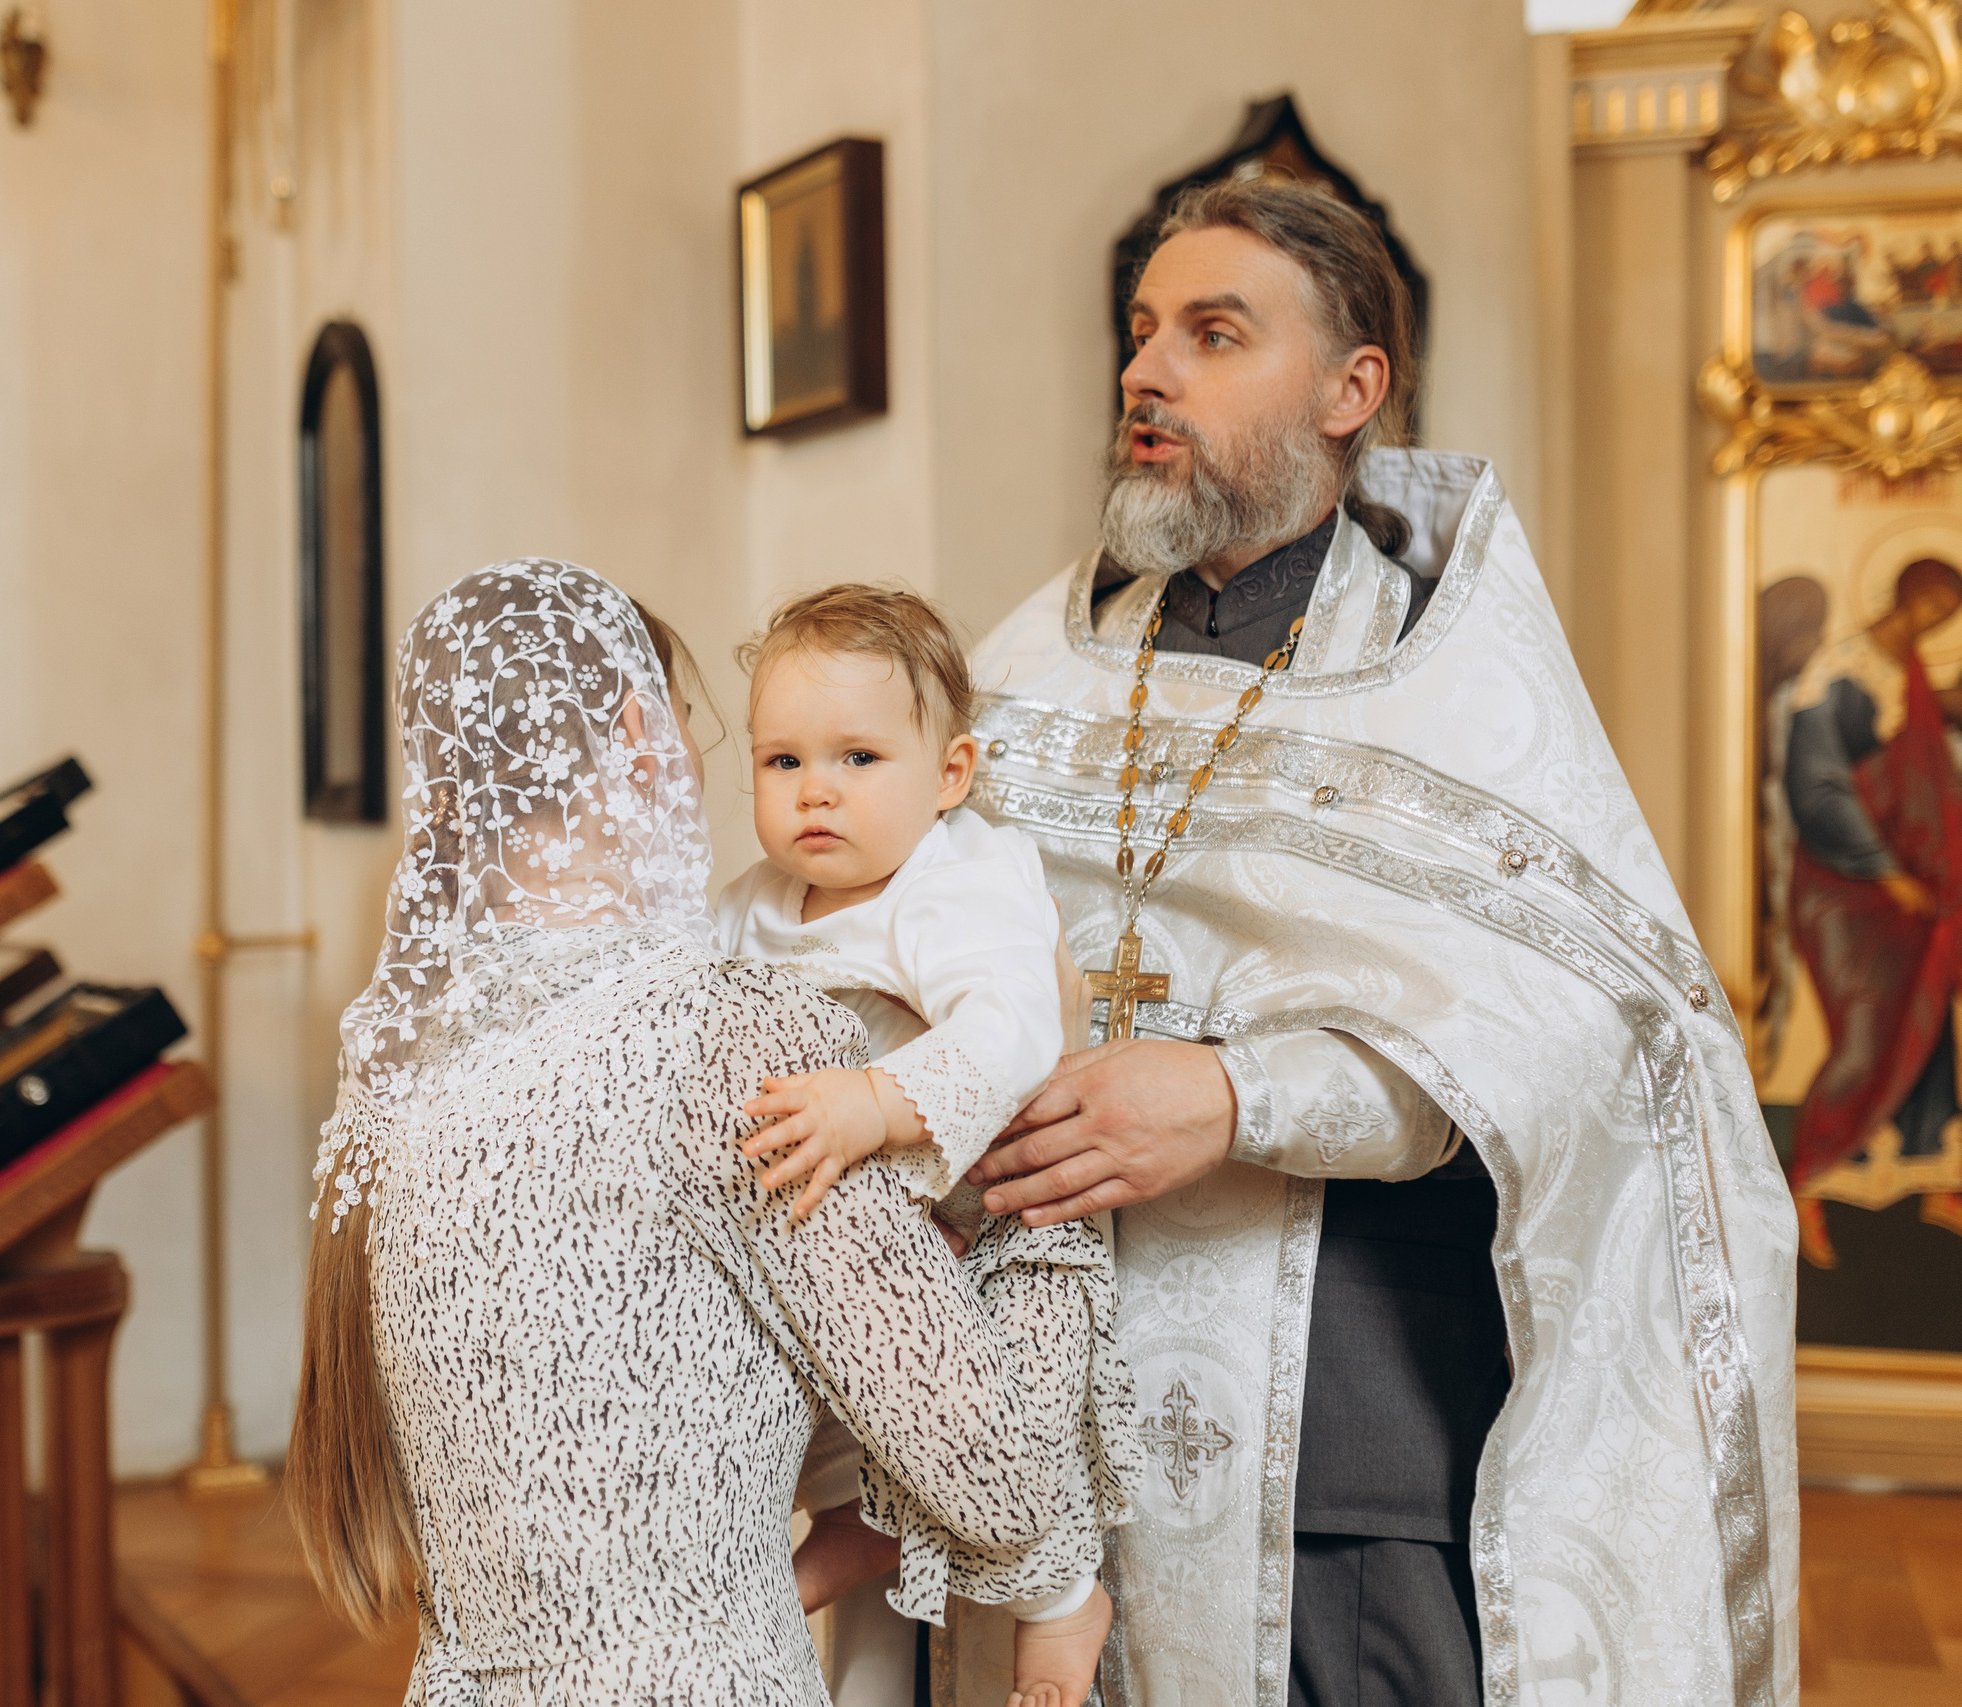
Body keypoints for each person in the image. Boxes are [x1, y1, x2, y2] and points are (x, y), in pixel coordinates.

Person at [961, 177, 1798, 1705]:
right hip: (1027, 1437)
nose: (1146, 370)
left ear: (1352, 390)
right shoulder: (1031, 666)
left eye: (1215, 333)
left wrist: (1235, 1095)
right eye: (1142, 330)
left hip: (1344, 1445)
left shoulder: (1452, 682)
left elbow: (1600, 1042)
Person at [284, 561, 1113, 1706]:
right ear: (638, 734)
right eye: (703, 730)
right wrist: (1045, 1188)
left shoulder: (408, 1070)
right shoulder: (724, 1035)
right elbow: (1000, 1479)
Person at [715, 583, 1132, 1707]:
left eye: (857, 758)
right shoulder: (753, 903)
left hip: (996, 1223)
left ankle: (1061, 1601)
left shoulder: (959, 879)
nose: (815, 791)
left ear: (949, 776)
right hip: (836, 1235)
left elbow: (1011, 1031)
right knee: (798, 1386)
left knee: (997, 1421)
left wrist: (874, 1101)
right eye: (783, 761)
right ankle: (854, 1524)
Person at [1781, 556, 1962, 1257]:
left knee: (1929, 1024)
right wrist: (1885, 871)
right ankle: (1808, 1182)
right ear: (1908, 593)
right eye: (1933, 605)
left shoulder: (1905, 671)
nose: (1936, 621)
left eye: (1948, 614)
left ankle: (1935, 1176)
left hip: (1916, 890)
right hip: (1848, 892)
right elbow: (1818, 788)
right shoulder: (1839, 672)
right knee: (1863, 1034)